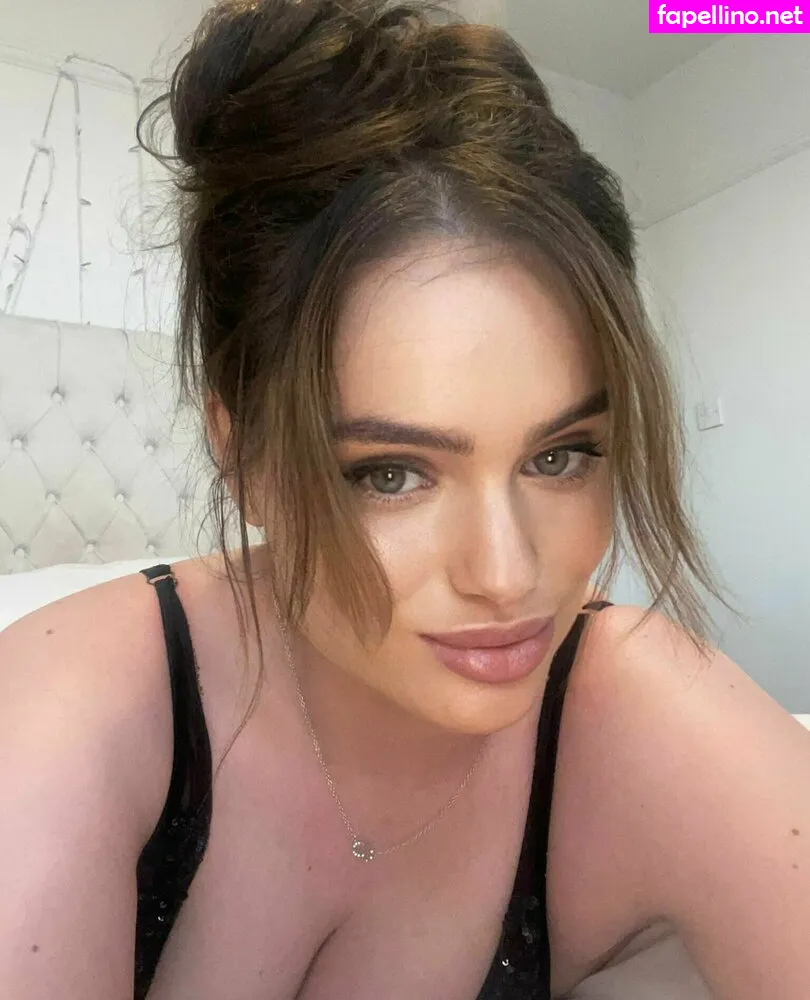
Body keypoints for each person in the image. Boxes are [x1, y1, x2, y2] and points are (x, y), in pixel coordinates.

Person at [1, 1, 808, 997]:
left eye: (560, 456)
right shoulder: (70, 712)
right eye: (391, 473)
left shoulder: (638, 706)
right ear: (241, 453)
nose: (508, 574)